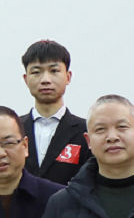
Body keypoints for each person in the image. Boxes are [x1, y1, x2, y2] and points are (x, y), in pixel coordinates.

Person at [18, 40, 88, 185]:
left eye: (54, 71)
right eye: (36, 72)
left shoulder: (86, 131)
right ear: (26, 79)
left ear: (68, 77)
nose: (45, 80)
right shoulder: (14, 130)